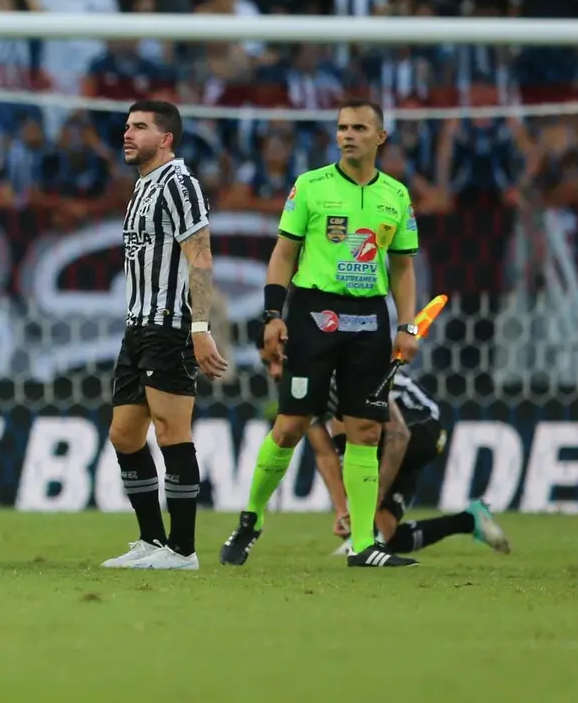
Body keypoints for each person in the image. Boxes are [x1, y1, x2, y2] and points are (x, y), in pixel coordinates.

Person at [221, 101, 423, 569]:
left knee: (366, 431)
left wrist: (408, 325)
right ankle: (250, 520)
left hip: (369, 319)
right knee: (291, 425)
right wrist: (273, 315)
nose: (347, 135)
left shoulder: (396, 195)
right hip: (314, 313)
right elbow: (283, 255)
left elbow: (404, 266)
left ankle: (363, 544)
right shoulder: (309, 187)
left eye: (358, 128)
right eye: (341, 128)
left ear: (381, 137)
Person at [100, 99, 228, 571]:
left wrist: (199, 327)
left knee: (172, 431)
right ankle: (152, 541)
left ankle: (183, 549)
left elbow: (201, 257)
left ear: (166, 137)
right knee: (124, 435)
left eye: (140, 127)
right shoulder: (142, 188)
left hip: (171, 326)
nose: (128, 135)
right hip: (138, 326)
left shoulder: (180, 184)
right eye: (126, 127)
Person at [307, 371, 511, 559]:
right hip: (396, 437)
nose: (274, 372)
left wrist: (373, 498)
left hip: (421, 423)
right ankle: (469, 520)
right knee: (386, 537)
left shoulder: (339, 370)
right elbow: (324, 454)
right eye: (272, 368)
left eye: (275, 365)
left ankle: (361, 534)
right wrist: (342, 510)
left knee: (346, 423)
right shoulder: (299, 389)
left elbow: (400, 434)